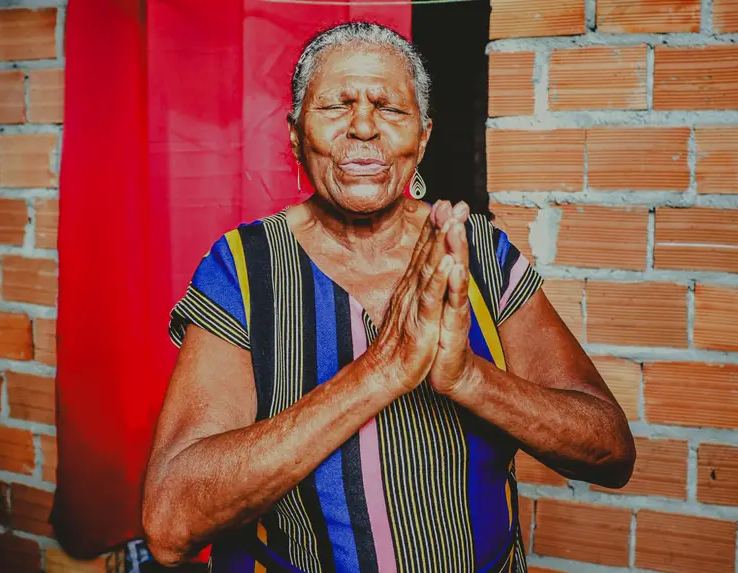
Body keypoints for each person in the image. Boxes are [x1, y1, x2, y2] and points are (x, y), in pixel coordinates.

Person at [142, 21, 635, 573]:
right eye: (335, 105)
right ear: (294, 132)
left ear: (422, 136)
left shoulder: (478, 257)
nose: (363, 126)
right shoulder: (242, 269)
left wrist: (469, 378)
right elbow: (169, 523)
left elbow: (611, 451)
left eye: (390, 108)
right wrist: (381, 371)